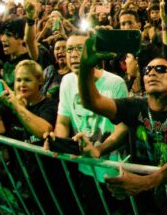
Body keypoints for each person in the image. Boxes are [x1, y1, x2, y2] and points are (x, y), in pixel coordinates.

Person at [76, 35, 167, 213]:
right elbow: (93, 102)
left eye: (161, 69)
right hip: (146, 201)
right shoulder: (134, 106)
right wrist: (86, 66)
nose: (152, 73)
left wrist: (145, 182)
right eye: (147, 70)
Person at [44, 33, 128, 208]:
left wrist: (99, 149)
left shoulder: (115, 83)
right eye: (69, 50)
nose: (73, 55)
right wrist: (59, 142)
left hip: (112, 168)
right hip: (85, 167)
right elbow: (63, 121)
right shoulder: (66, 81)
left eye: (79, 49)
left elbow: (122, 129)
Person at [0, 60, 57, 143]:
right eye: (18, 80)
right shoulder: (10, 103)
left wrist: (17, 107)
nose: (22, 85)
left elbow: (44, 131)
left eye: (27, 80)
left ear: (40, 81)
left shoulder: (50, 105)